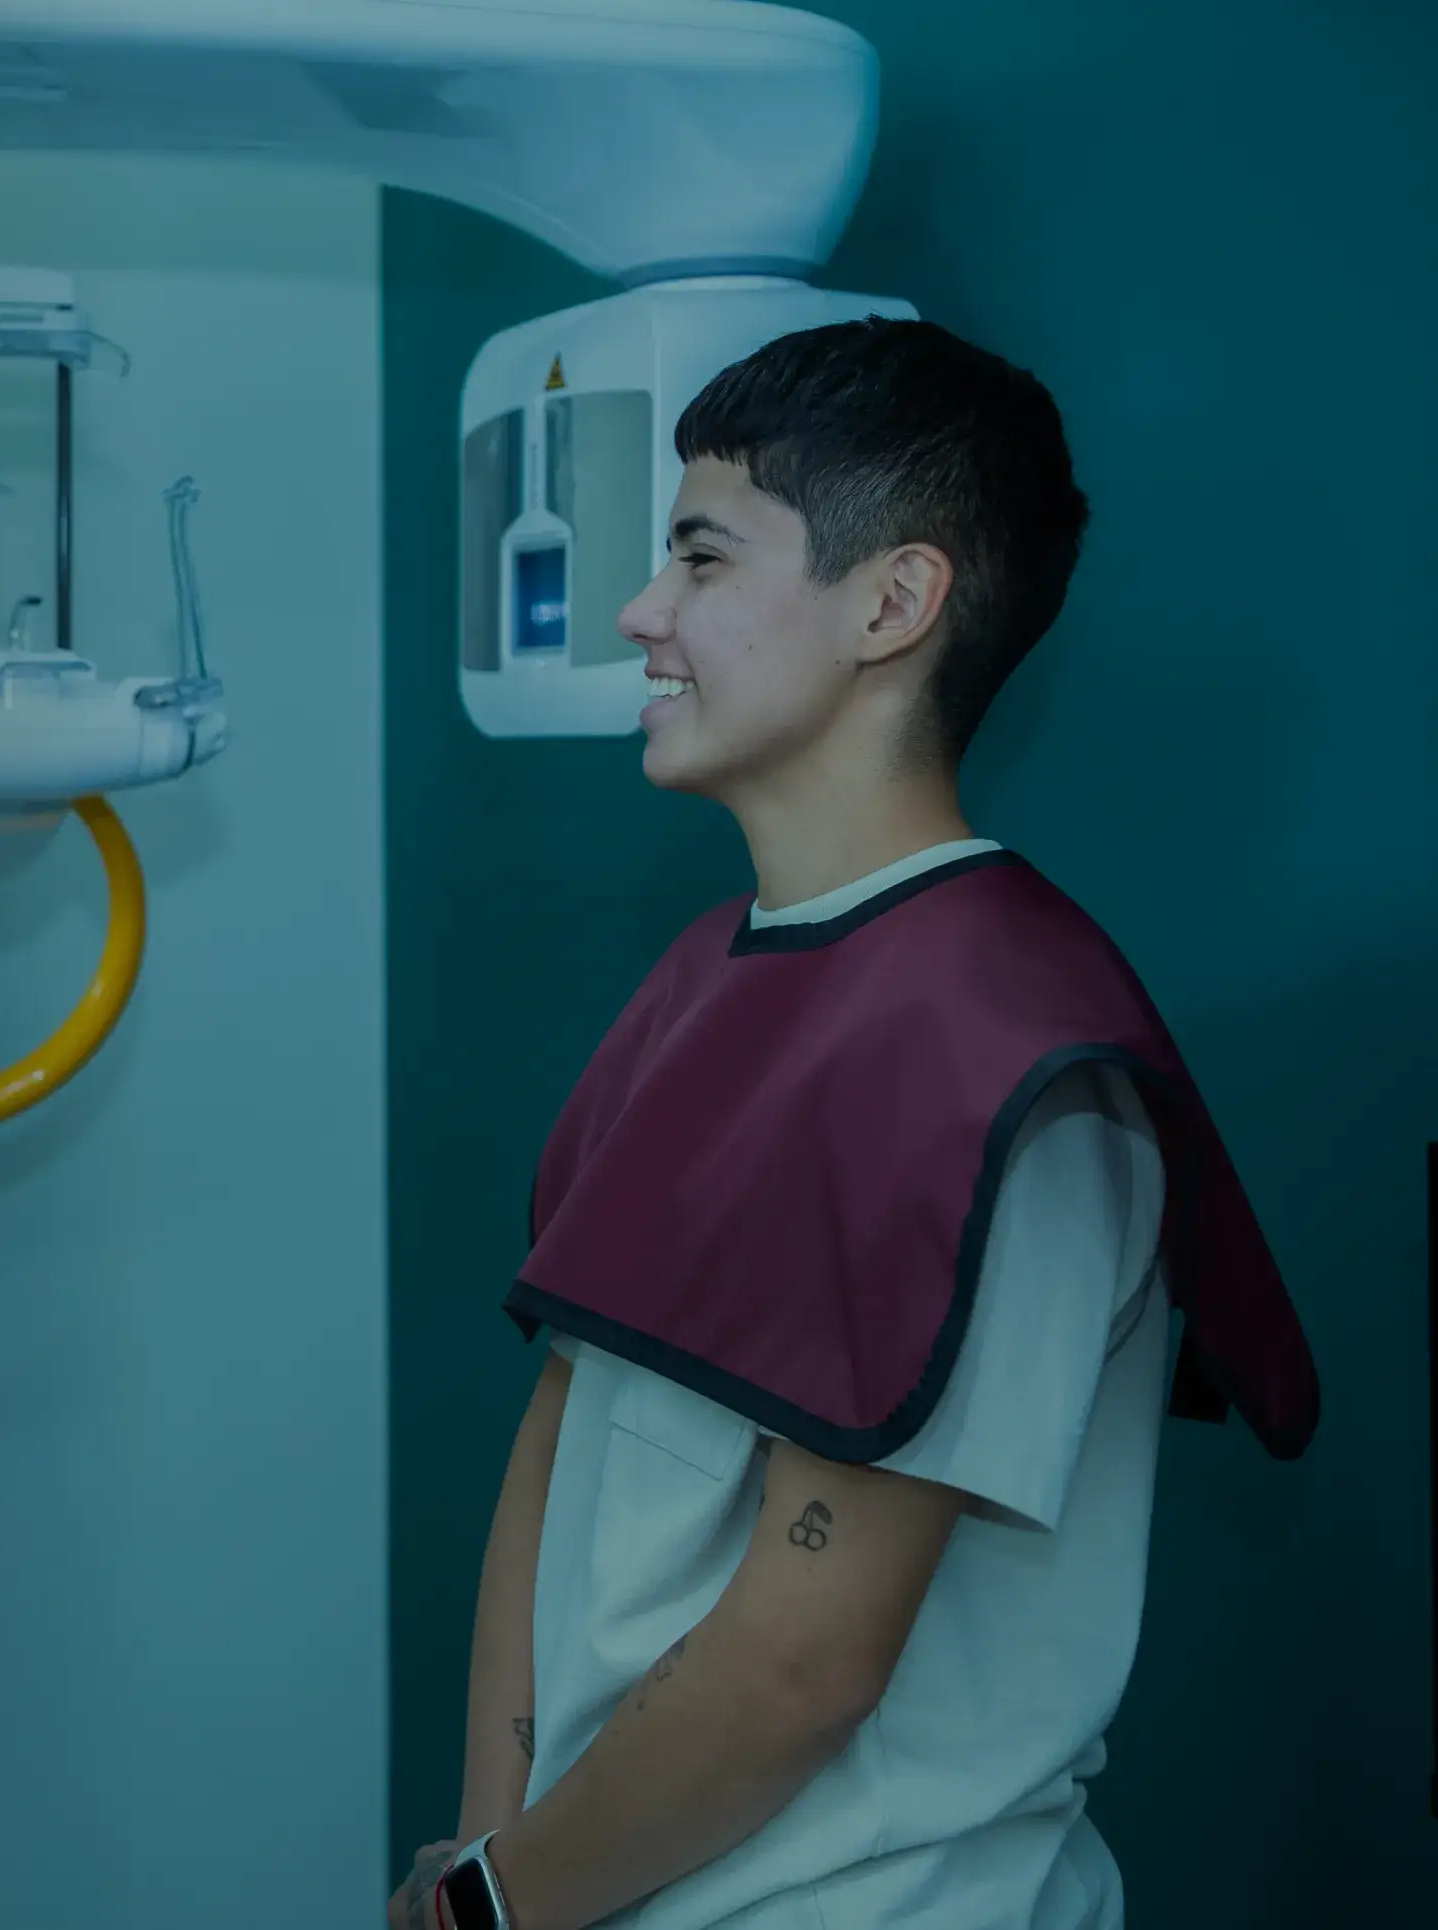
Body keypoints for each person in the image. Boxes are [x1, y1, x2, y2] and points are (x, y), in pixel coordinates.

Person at [391, 320, 1321, 1930]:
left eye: (697, 556)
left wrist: (492, 1909)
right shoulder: (705, 977)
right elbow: (560, 1440)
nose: (640, 612)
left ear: (893, 603)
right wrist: (489, 1852)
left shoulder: (1014, 1058)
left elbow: (803, 1664)